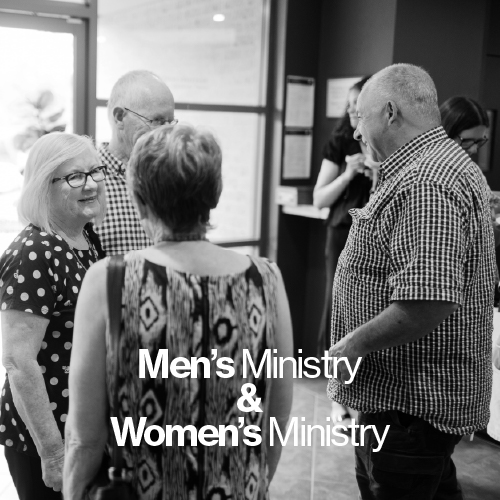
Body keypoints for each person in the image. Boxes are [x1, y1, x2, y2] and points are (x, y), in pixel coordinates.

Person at [63, 123, 294, 499]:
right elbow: (277, 414)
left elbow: (84, 437)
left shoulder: (110, 279)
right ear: (214, 194)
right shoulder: (266, 278)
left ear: (139, 198)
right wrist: (254, 482)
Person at [328, 64, 496, 499]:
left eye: (361, 118)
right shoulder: (429, 167)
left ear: (389, 112)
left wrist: (353, 345)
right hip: (406, 401)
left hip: (410, 405)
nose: (357, 132)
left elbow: (429, 299)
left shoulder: (426, 181)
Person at [0, 132, 106, 499]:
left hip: (84, 430)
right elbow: (18, 361)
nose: (90, 184)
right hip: (47, 438)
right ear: (44, 185)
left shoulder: (85, 237)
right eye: (75, 176)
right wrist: (53, 453)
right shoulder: (33, 252)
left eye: (95, 171)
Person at [313, 76, 376, 424]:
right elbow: (319, 198)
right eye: (349, 106)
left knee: (367, 314)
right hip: (341, 233)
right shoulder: (340, 142)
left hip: (374, 238)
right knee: (336, 306)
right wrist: (348, 174)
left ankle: (362, 392)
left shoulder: (383, 143)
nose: (352, 112)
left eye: (358, 106)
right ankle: (337, 394)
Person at [95, 70, 176, 255]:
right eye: (157, 121)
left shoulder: (172, 177)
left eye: (171, 122)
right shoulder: (88, 182)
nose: (166, 132)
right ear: (119, 117)